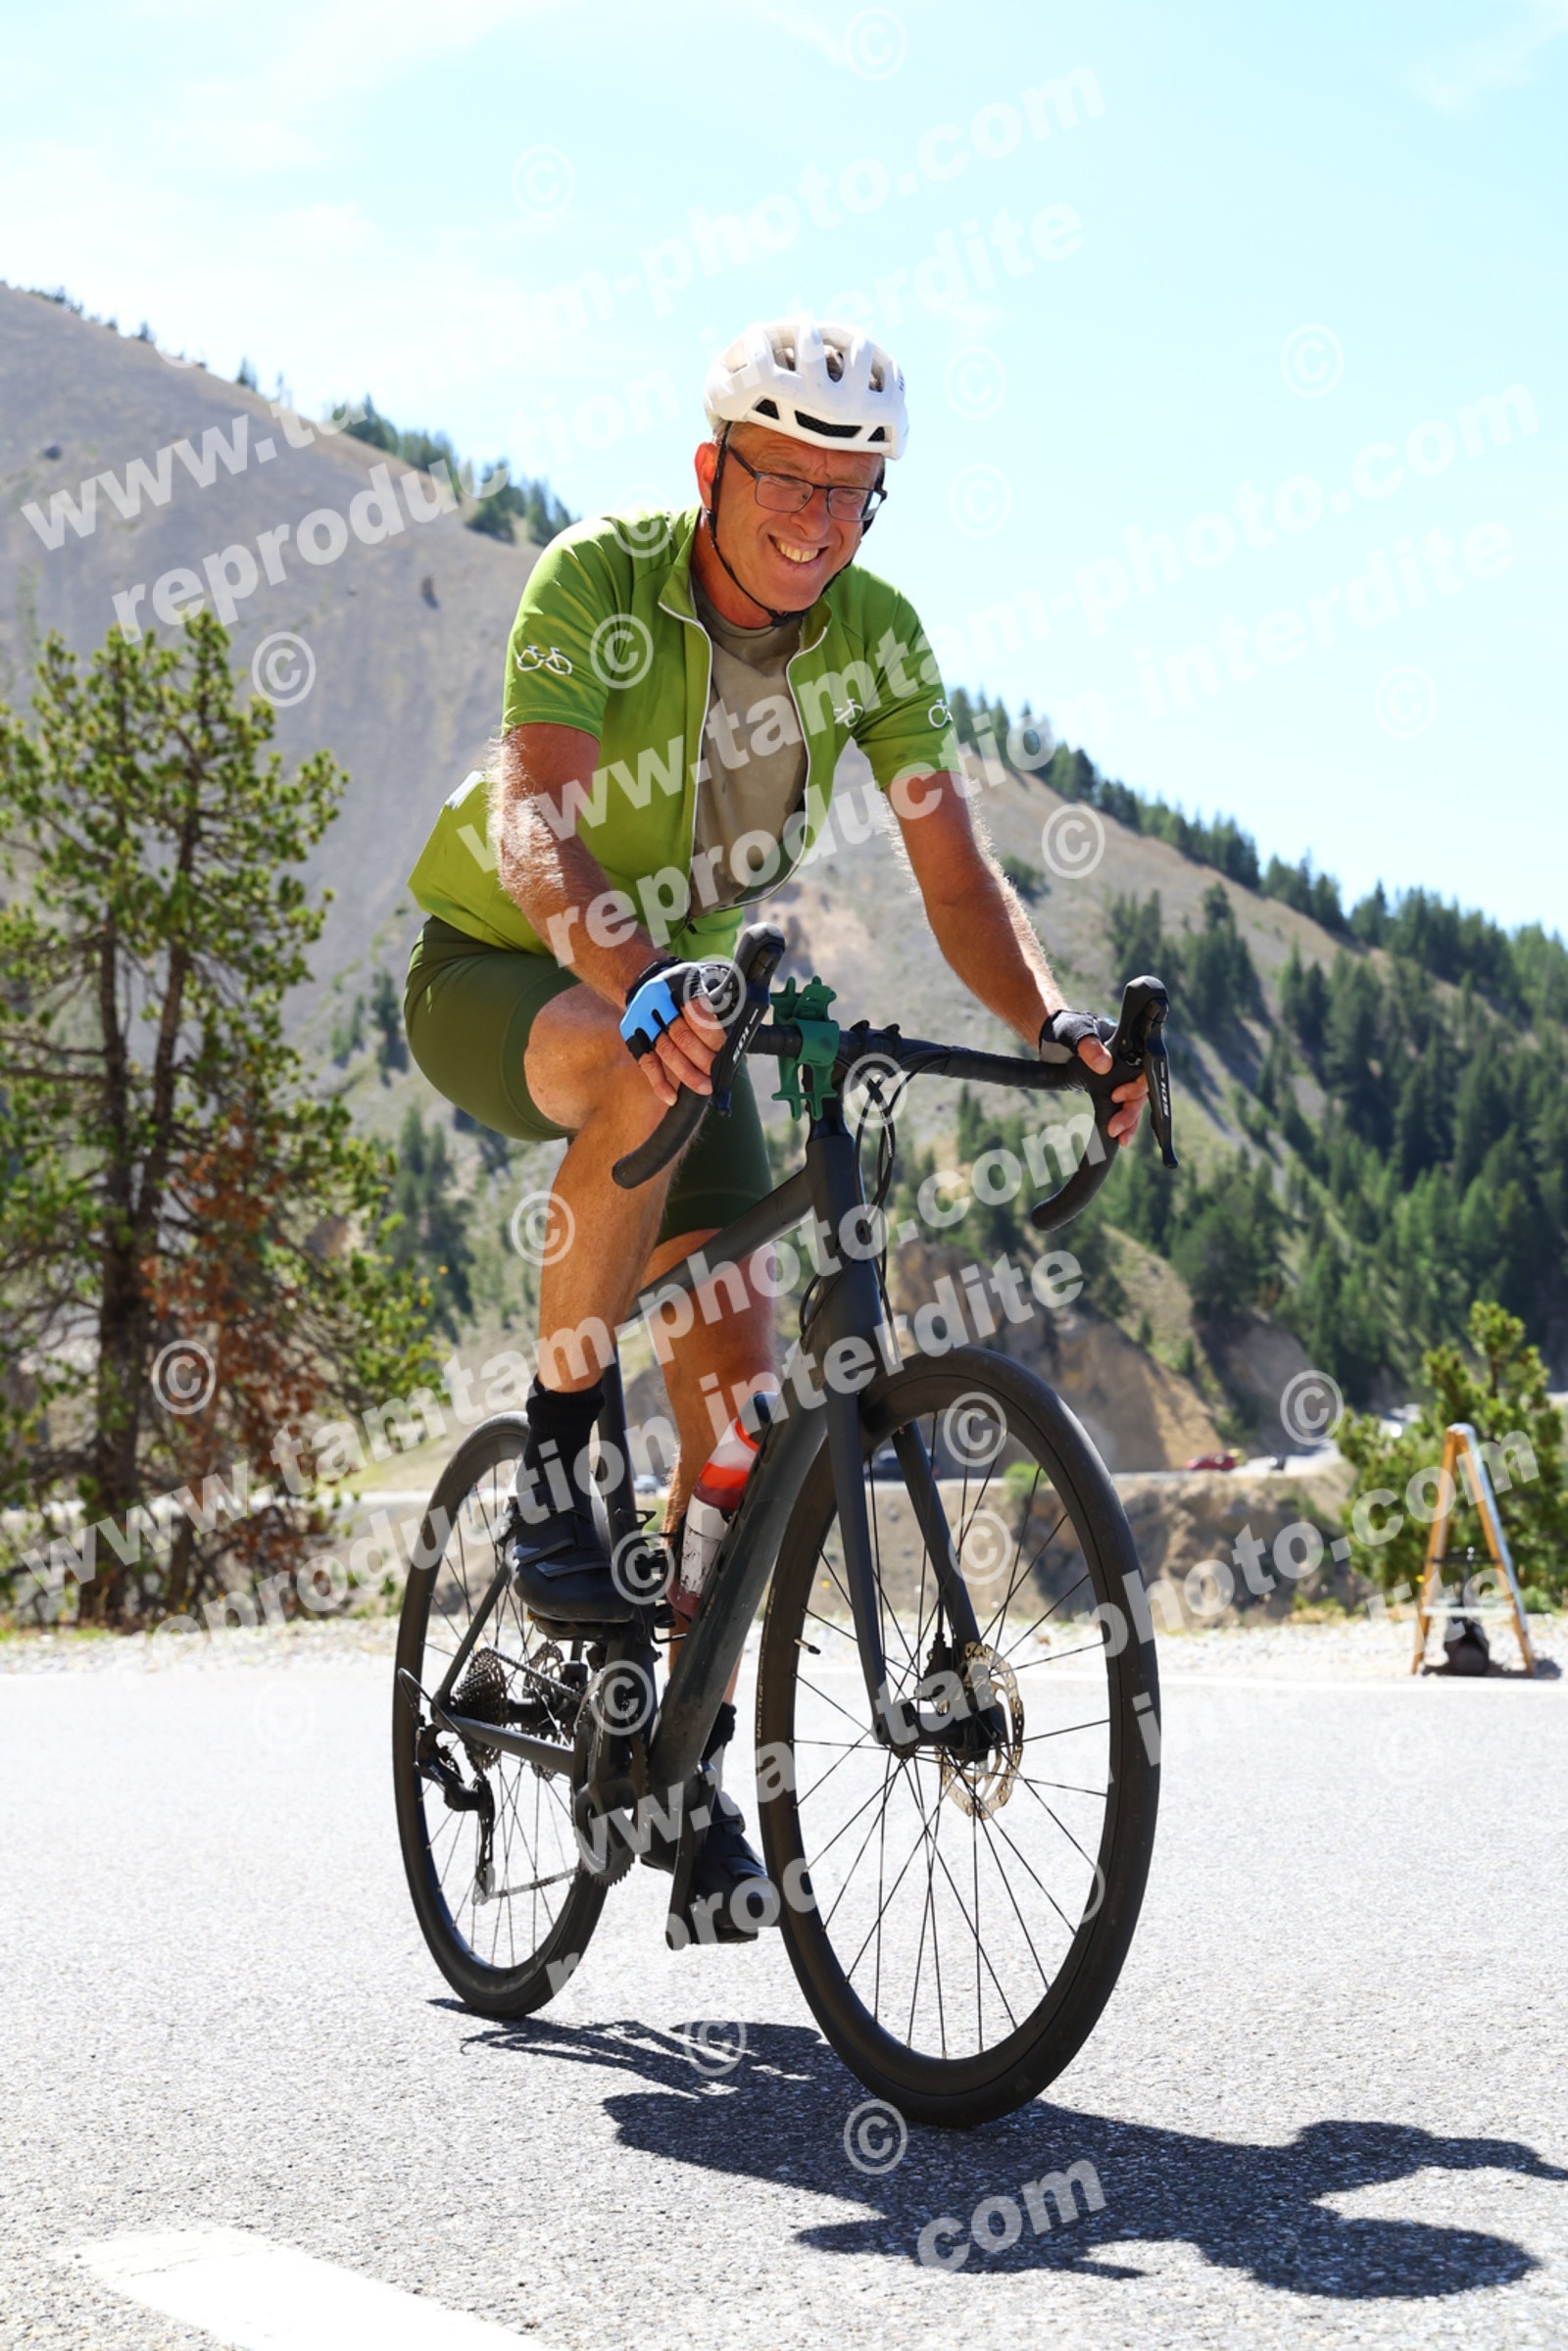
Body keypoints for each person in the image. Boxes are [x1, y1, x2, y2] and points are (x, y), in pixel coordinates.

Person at [404, 316, 1147, 1931]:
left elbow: (957, 880)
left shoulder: (877, 633)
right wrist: (636, 983)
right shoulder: (601, 581)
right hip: (509, 966)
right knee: (639, 1066)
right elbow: (535, 822)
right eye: (785, 480)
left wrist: (1057, 1027)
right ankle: (556, 1462)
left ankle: (678, 1771)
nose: (815, 520)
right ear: (712, 469)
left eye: (849, 492)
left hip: (695, 1002)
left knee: (737, 1417)